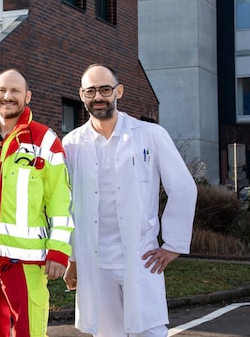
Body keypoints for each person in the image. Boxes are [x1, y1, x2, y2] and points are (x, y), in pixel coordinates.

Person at [62, 64, 197, 337]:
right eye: (90, 91)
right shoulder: (71, 144)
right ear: (81, 95)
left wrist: (173, 245)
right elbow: (67, 204)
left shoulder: (150, 135)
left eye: (105, 89)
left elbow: (183, 188)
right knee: (105, 332)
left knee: (149, 331)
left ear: (118, 91)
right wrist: (72, 259)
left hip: (141, 256)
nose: (98, 96)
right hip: (95, 260)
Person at [0, 68, 74, 337]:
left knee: (29, 331)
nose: (8, 96)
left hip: (27, 261)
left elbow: (60, 201)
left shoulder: (45, 140)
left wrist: (58, 250)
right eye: (2, 91)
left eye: (15, 91)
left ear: (27, 96)